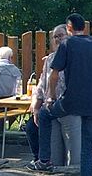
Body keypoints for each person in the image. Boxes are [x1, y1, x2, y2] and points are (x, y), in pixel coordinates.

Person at [27, 13, 92, 176]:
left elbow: (53, 76)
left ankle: (44, 159)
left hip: (71, 101)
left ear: (69, 28)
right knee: (87, 150)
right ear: (85, 27)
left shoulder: (67, 44)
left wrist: (51, 98)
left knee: (45, 115)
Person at [25, 24, 81, 167]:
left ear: (69, 35)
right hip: (52, 108)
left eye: (60, 35)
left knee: (73, 154)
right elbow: (42, 83)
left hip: (70, 109)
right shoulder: (50, 59)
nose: (57, 39)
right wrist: (36, 107)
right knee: (55, 154)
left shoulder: (77, 56)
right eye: (55, 37)